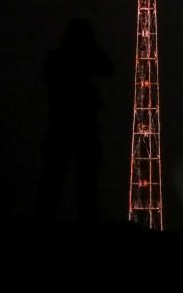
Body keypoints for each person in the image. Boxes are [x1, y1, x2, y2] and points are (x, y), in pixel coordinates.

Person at [36, 18, 114, 224]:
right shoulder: (82, 58)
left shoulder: (56, 57)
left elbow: (108, 69)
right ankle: (85, 219)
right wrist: (91, 50)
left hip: (61, 126)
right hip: (81, 126)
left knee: (54, 179)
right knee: (84, 181)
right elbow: (108, 69)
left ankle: (47, 216)